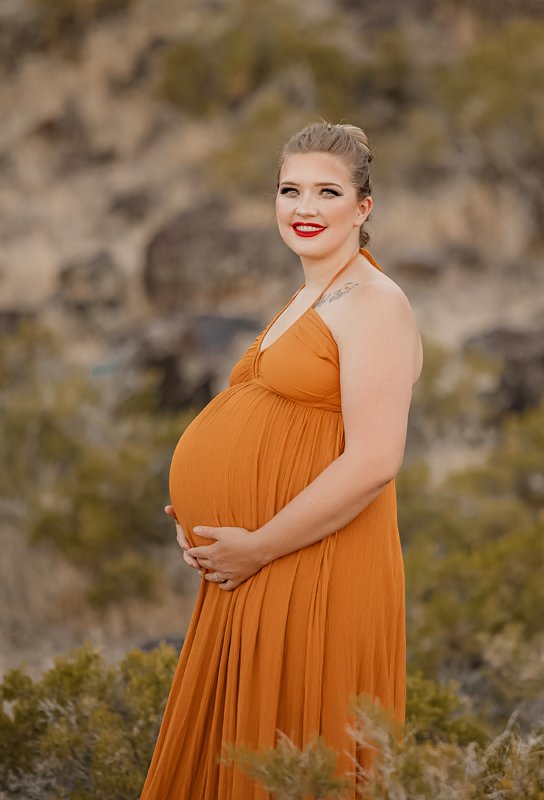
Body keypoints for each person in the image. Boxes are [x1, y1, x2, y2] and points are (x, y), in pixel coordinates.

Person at [138, 121, 422, 799]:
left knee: (293, 755)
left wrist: (258, 543)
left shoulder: (376, 304)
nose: (304, 207)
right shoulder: (309, 297)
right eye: (290, 189)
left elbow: (376, 460)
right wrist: (206, 522)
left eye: (327, 191)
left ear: (363, 207)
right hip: (253, 569)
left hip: (313, 568)